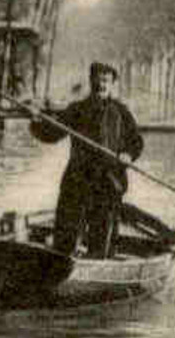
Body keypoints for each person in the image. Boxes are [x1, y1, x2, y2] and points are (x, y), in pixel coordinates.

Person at [29, 61, 143, 258]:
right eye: (97, 80)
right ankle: (60, 264)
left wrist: (128, 155)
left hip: (108, 182)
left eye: (106, 81)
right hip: (78, 179)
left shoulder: (121, 112)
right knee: (66, 234)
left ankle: (98, 267)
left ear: (112, 84)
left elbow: (136, 142)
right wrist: (35, 120)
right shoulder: (77, 110)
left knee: (102, 240)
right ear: (91, 82)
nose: (101, 85)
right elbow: (52, 133)